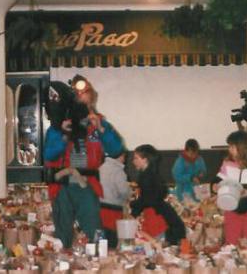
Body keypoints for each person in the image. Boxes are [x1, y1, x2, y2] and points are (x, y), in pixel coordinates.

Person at [43, 76, 123, 248]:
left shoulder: (98, 123)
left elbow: (116, 150)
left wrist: (101, 129)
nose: (80, 97)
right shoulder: (59, 125)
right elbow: (49, 154)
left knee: (94, 233)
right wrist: (63, 134)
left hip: (87, 185)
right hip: (62, 185)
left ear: (92, 97)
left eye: (85, 94)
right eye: (77, 94)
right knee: (62, 235)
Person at [130, 144, 186, 246]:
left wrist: (133, 206)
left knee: (156, 246)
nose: (133, 161)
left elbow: (147, 200)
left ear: (145, 159)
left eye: (136, 158)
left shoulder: (147, 177)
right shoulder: (152, 174)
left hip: (156, 218)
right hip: (161, 214)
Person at [99, 150, 131, 248]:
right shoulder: (118, 171)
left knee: (101, 239)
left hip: (99, 206)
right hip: (113, 208)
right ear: (121, 156)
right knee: (112, 240)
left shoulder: (101, 167)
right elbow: (123, 191)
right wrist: (129, 194)